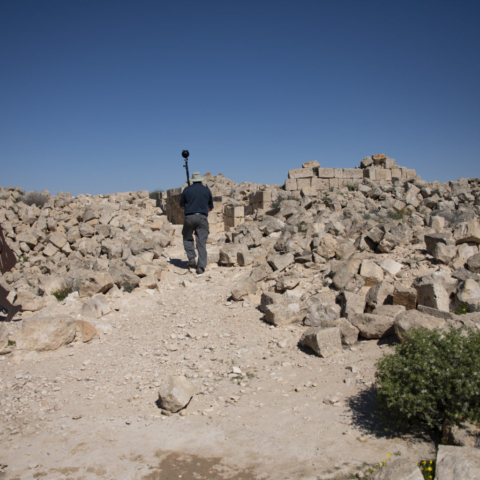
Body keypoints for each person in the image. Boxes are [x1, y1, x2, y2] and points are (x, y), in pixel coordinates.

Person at [179, 172, 213, 274]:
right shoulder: (206, 190)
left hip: (189, 217)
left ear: (192, 180)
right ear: (201, 179)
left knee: (187, 237)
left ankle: (191, 258)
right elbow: (210, 208)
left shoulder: (186, 190)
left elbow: (181, 206)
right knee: (201, 242)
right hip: (202, 217)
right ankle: (201, 266)